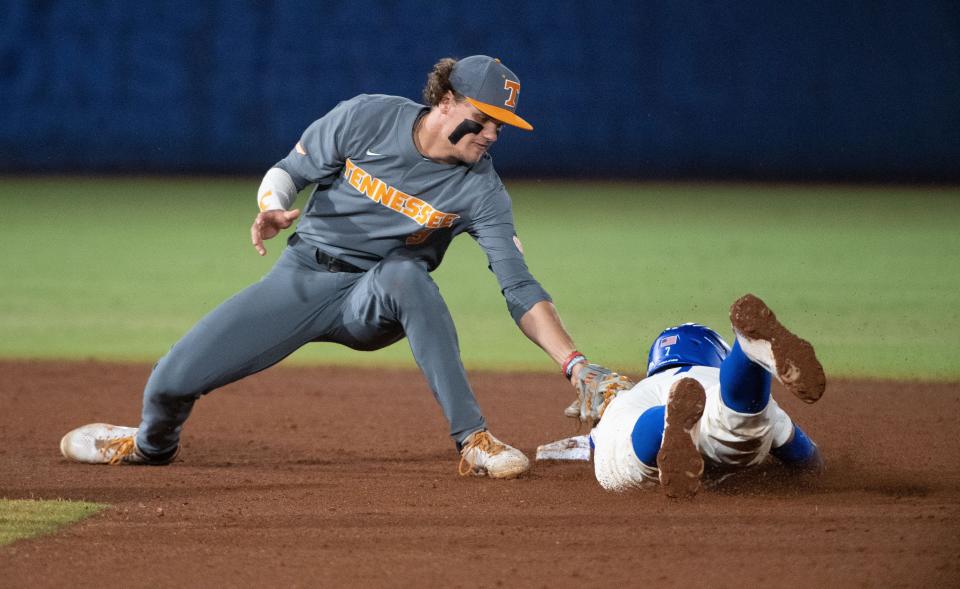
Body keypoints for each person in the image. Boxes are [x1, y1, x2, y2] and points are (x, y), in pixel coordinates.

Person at [60, 55, 606, 479]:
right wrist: (270, 206)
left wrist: (575, 365)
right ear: (445, 99)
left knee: (404, 273)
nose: (491, 135)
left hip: (374, 300)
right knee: (169, 383)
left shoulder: (482, 189)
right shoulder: (368, 117)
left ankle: (474, 441)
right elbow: (288, 171)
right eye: (484, 120)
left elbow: (518, 285)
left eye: (501, 127)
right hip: (302, 277)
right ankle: (149, 447)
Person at [568, 293, 826, 497]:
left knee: (625, 448)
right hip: (710, 397)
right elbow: (805, 458)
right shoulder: (712, 377)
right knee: (740, 416)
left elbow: (593, 444)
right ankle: (747, 352)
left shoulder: (633, 393)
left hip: (631, 415)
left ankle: (663, 422)